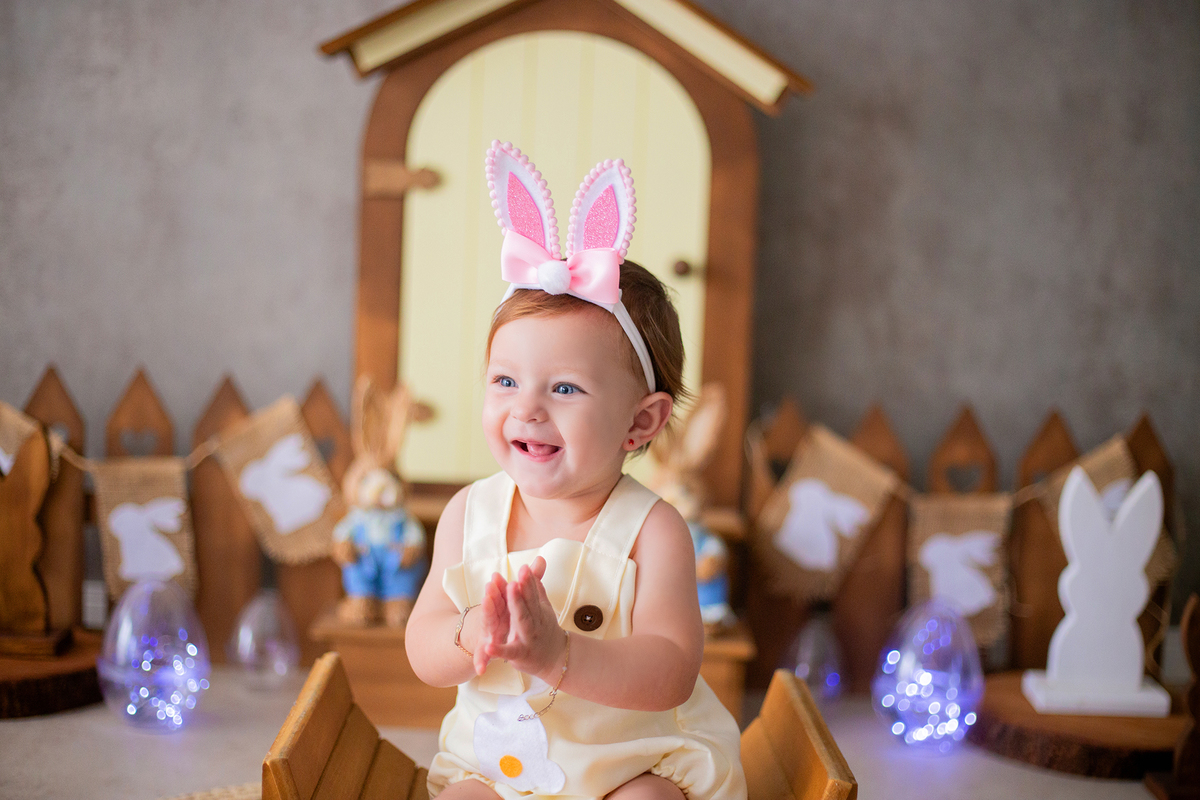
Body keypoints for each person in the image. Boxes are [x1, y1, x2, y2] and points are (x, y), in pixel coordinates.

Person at [405, 142, 745, 800]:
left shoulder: (654, 531)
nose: (526, 408)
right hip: (501, 762)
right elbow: (423, 645)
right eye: (505, 381)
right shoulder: (468, 515)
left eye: (564, 389)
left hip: (630, 760)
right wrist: (469, 633)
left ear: (640, 422)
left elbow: (672, 669)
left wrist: (560, 655)